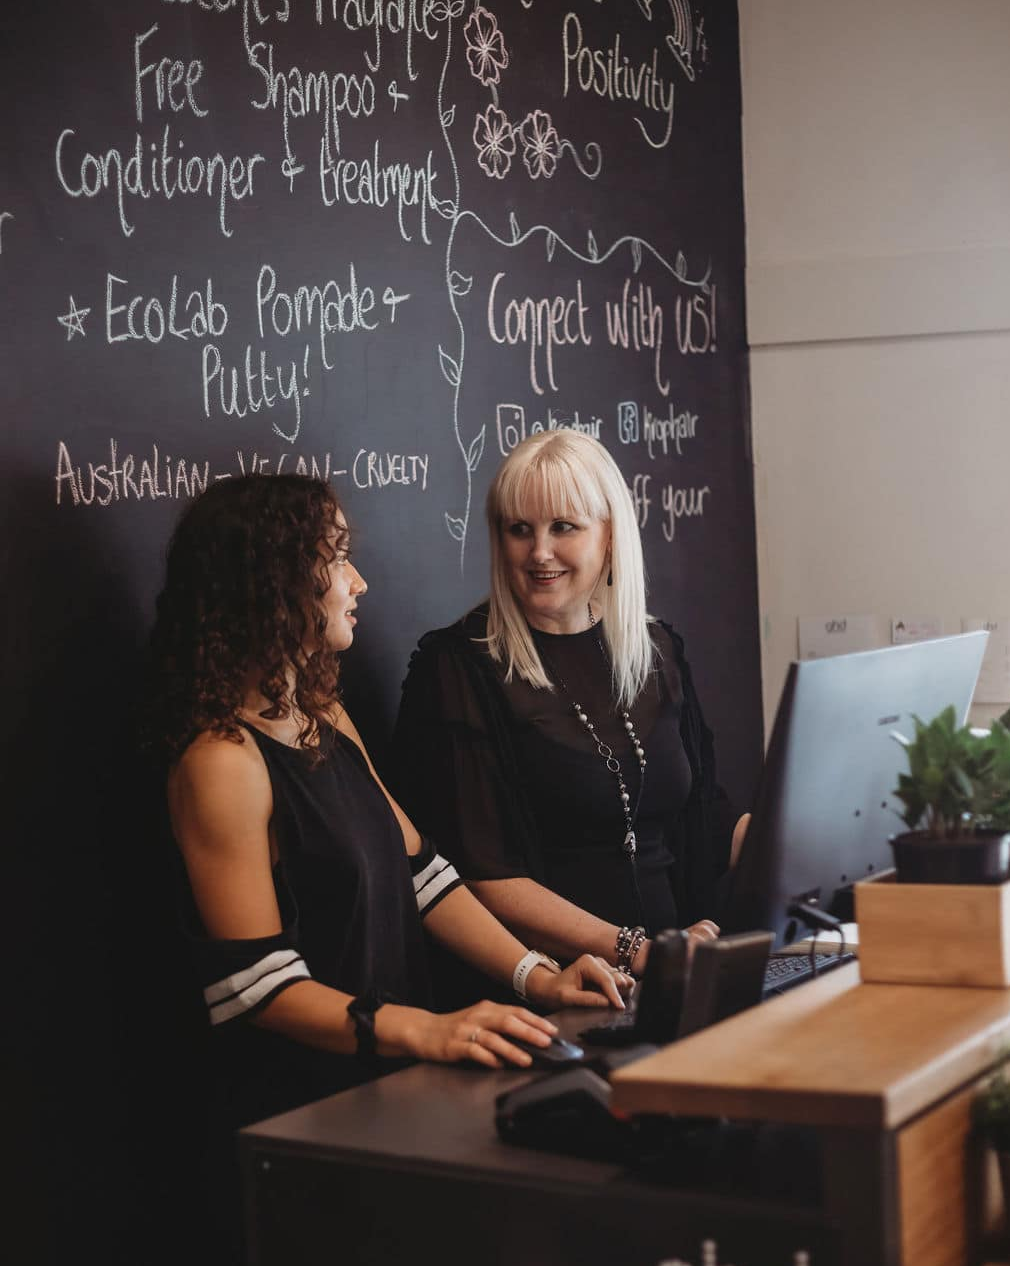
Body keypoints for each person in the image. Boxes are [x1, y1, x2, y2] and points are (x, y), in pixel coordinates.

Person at [144, 472, 630, 1135]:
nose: (358, 582)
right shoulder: (222, 764)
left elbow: (422, 874)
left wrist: (535, 978)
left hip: (390, 1085)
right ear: (273, 583)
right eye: (337, 557)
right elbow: (256, 986)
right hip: (302, 1117)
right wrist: (428, 1031)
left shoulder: (324, 715)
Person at [392, 430, 749, 997]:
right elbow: (478, 873)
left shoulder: (656, 651)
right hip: (551, 993)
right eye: (519, 530)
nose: (539, 552)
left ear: (609, 535)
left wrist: (793, 838)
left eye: (564, 527)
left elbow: (698, 815)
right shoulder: (458, 669)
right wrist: (637, 950)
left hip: (671, 980)